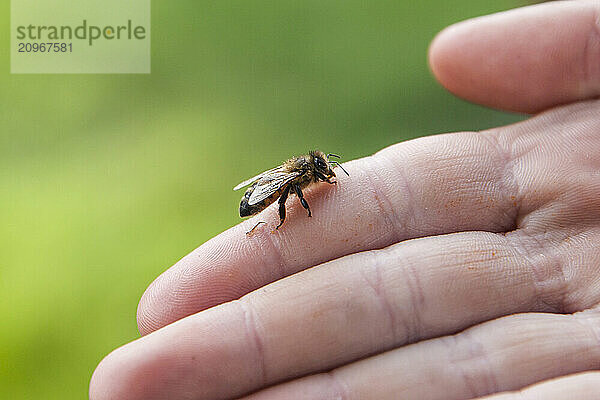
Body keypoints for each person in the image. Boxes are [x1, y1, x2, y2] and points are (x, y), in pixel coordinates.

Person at [90, 1, 600, 399]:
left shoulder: (307, 175)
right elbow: (283, 193)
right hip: (264, 198)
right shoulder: (294, 185)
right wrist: (290, 212)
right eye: (323, 175)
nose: (327, 177)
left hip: (267, 190)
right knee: (277, 206)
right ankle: (263, 227)